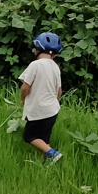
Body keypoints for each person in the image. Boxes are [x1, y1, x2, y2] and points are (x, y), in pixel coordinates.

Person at [19, 32, 63, 163]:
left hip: (38, 110)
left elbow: (25, 87)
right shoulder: (55, 67)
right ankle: (46, 160)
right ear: (54, 54)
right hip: (52, 110)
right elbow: (59, 91)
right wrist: (54, 102)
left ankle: (53, 153)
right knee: (43, 138)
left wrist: (23, 100)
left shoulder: (35, 65)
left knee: (29, 136)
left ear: (37, 50)